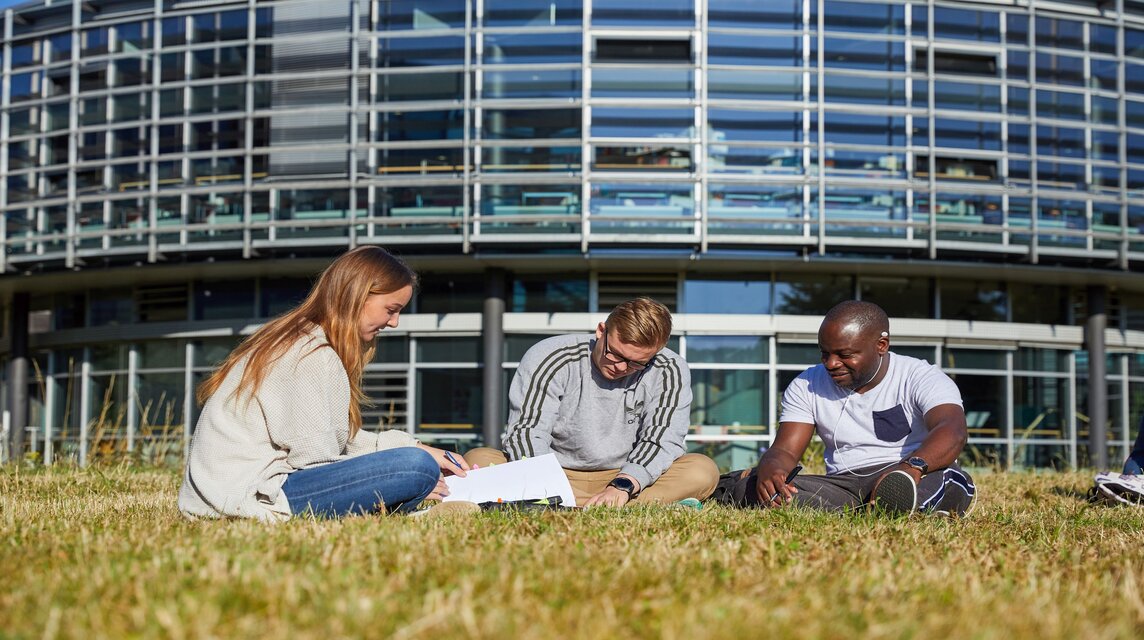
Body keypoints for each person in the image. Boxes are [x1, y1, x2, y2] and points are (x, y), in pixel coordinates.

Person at [178, 246, 470, 521]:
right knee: (415, 468)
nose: (394, 322)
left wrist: (418, 447)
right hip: (252, 495)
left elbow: (339, 439)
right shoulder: (311, 354)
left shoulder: (302, 340)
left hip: (242, 489)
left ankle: (400, 503)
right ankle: (406, 503)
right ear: (357, 296)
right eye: (391, 309)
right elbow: (315, 459)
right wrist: (408, 471)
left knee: (417, 464)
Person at [711, 300, 976, 516]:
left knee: (945, 481)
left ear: (881, 346)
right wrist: (771, 467)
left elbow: (952, 429)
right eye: (824, 353)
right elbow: (784, 450)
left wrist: (912, 467)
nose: (831, 363)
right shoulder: (807, 383)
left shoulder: (920, 376)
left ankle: (894, 506)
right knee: (752, 488)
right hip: (843, 484)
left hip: (910, 473)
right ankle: (866, 511)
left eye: (845, 355)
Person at [465, 297, 719, 507]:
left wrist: (623, 485)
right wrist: (548, 485)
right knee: (477, 458)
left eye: (637, 363)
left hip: (625, 477)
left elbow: (662, 439)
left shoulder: (669, 368)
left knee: (702, 470)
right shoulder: (551, 356)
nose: (621, 367)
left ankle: (563, 507)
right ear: (601, 331)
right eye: (615, 354)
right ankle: (622, 506)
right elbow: (527, 432)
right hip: (554, 471)